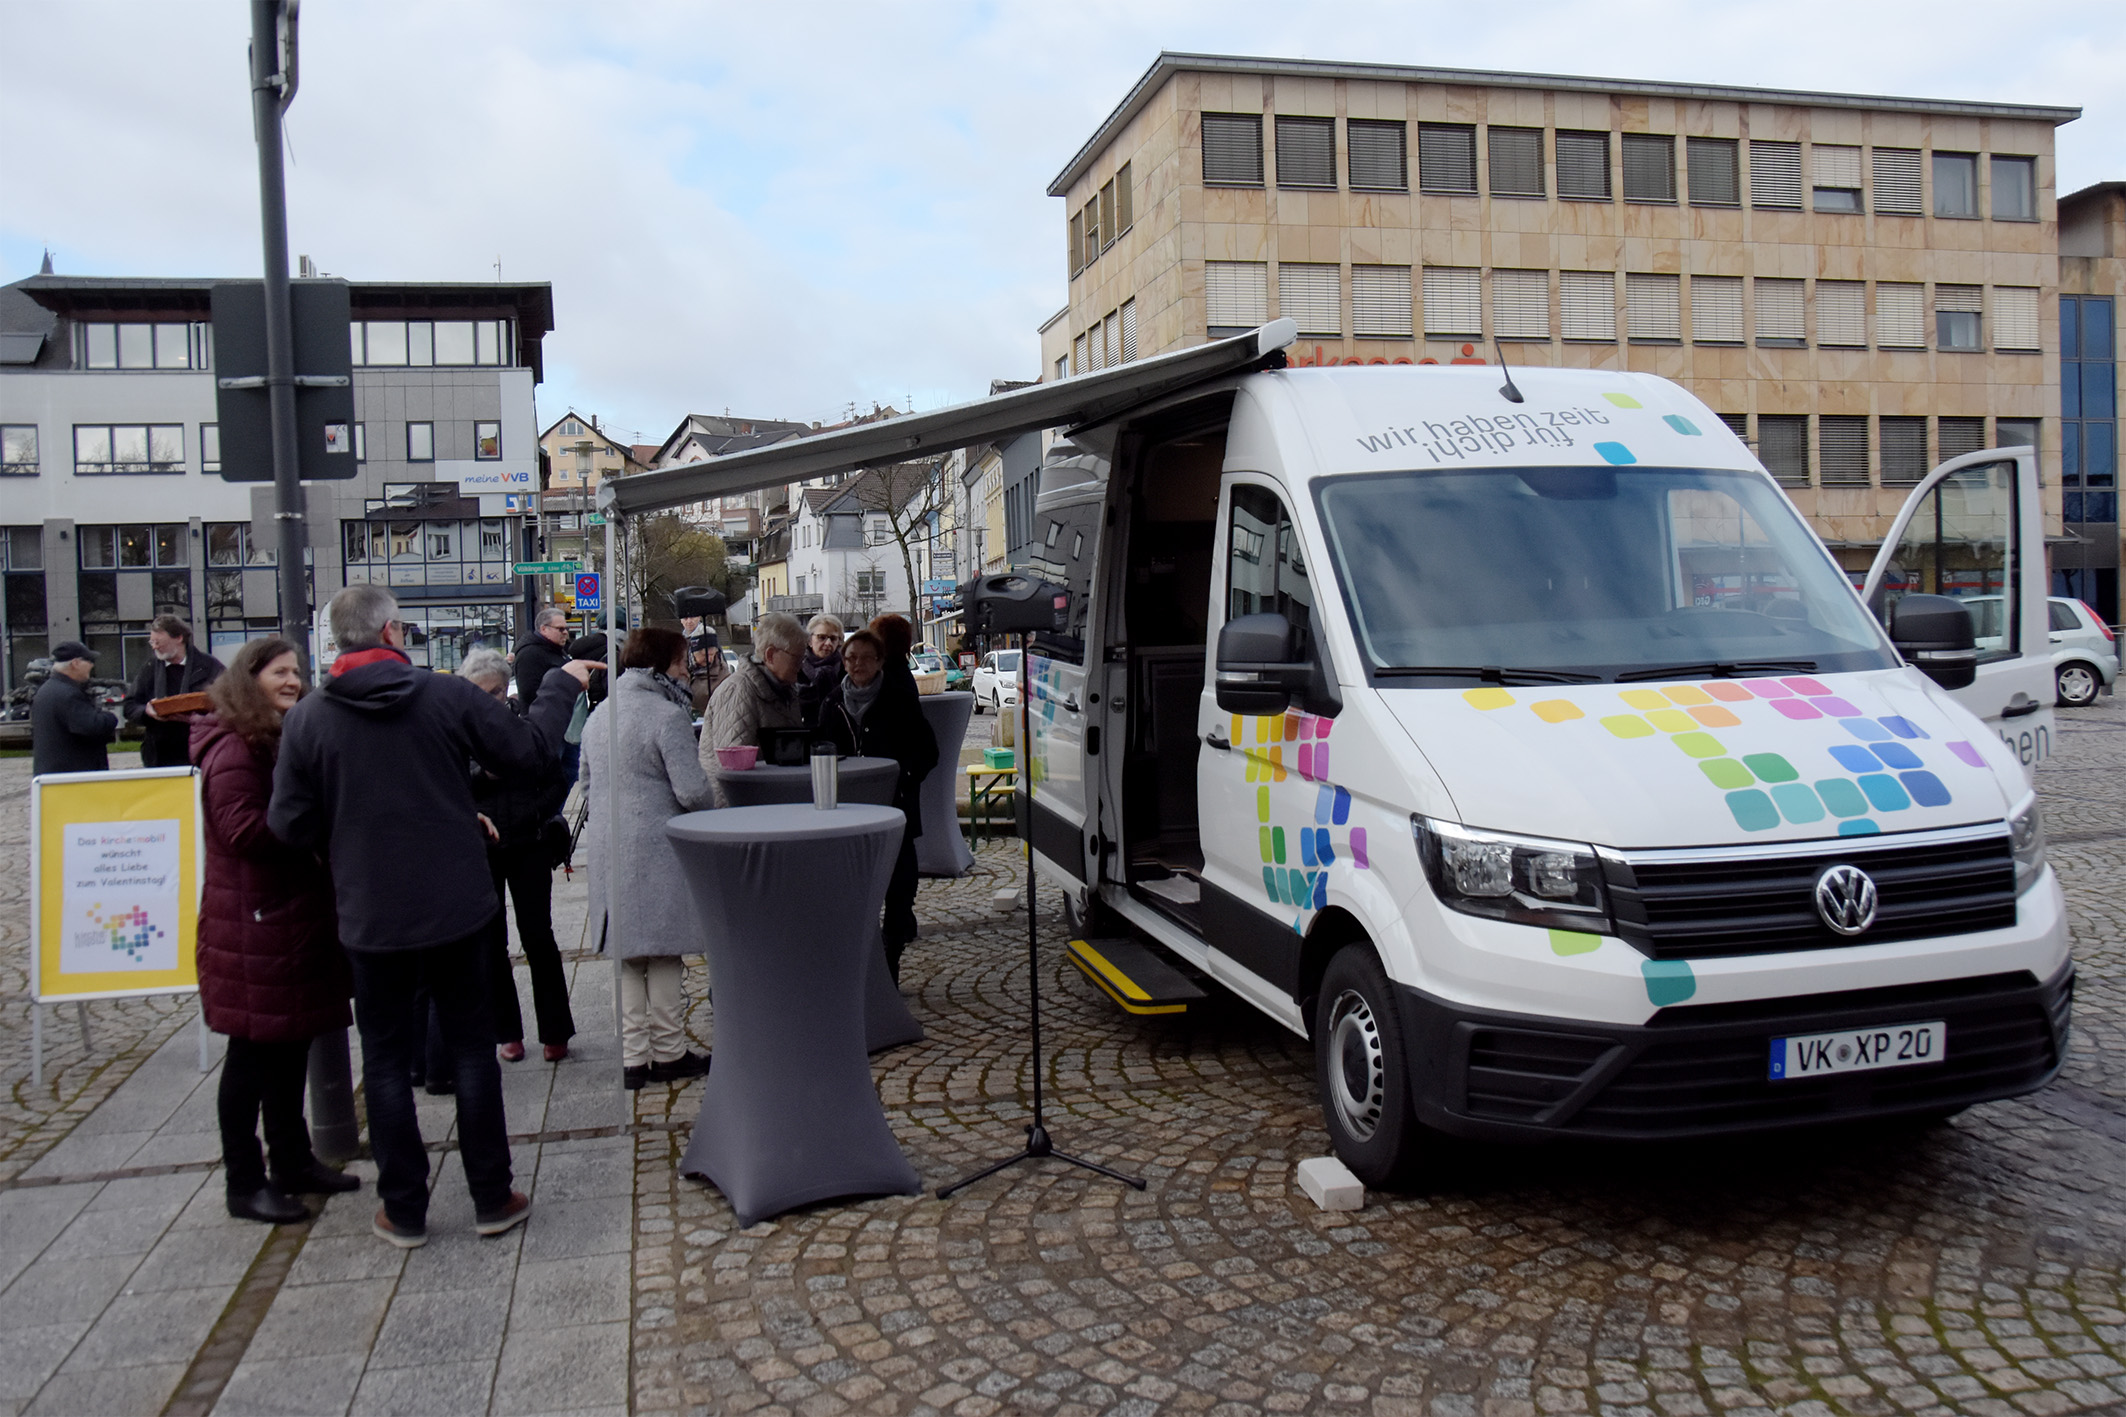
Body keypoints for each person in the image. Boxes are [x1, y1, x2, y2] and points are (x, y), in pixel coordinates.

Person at [270, 584, 594, 1250]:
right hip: (455, 905)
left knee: (386, 1063)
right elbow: (530, 751)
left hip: (370, 915)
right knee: (472, 1053)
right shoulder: (445, 696)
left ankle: (405, 1208)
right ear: (392, 633)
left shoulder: (309, 720)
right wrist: (561, 684)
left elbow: (290, 824)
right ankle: (491, 1195)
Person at [192, 637, 359, 1224]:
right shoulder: (235, 748)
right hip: (255, 925)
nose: (292, 681)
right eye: (280, 673)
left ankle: (293, 1160)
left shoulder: (273, 738)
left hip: (286, 919)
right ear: (250, 679)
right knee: (251, 1060)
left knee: (289, 1051)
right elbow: (243, 831)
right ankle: (245, 1180)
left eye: (296, 672)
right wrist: (315, 827)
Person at [581, 627, 714, 1089]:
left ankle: (634, 1058)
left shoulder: (601, 715)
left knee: (626, 956)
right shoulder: (665, 716)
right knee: (661, 953)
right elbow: (693, 791)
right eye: (681, 662)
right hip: (656, 847)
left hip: (608, 847)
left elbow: (585, 782)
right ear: (661, 665)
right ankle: (670, 1051)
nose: (686, 670)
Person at [459, 648, 576, 1065]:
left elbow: (557, 776)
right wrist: (481, 775)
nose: (487, 701)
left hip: (528, 842)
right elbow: (449, 784)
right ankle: (506, 1031)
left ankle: (556, 1032)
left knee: (539, 937)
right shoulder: (458, 732)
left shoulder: (523, 726)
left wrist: (536, 810)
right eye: (478, 693)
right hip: (482, 847)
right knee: (491, 943)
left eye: (493, 692)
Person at [817, 629, 939, 981]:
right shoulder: (832, 703)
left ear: (880, 661)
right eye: (851, 658)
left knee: (899, 888)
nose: (858, 665)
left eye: (866, 658)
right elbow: (821, 750)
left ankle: (891, 954)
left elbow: (928, 751)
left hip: (893, 810)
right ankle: (858, 962)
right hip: (848, 814)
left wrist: (904, 778)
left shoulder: (899, 700)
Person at [701, 612, 807, 796]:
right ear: (771, 655)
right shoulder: (737, 691)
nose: (801, 664)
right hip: (742, 811)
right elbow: (731, 770)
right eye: (796, 658)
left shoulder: (785, 690)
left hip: (769, 806)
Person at [123, 614, 225, 767]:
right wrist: (147, 711)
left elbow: (232, 703)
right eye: (152, 641)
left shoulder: (209, 666)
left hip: (200, 750)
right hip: (159, 755)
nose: (154, 647)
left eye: (159, 642)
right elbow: (129, 705)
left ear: (179, 638)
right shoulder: (150, 668)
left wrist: (199, 716)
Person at [30, 640, 118, 776]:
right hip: (71, 778)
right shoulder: (68, 694)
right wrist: (110, 717)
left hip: (52, 776)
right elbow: (92, 726)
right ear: (75, 663)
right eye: (88, 661)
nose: (92, 665)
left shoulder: (46, 690)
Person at [512, 606, 571, 709]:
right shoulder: (530, 654)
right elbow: (530, 694)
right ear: (544, 629)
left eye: (566, 628)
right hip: (544, 719)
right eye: (560, 629)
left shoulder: (556, 649)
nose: (565, 632)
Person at [794, 614, 845, 725]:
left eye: (833, 638)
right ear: (809, 640)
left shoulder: (846, 669)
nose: (828, 643)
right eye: (821, 637)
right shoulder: (795, 669)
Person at [681, 613, 730, 714]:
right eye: (704, 655)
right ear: (694, 653)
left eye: (712, 654)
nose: (709, 659)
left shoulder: (722, 672)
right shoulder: (679, 667)